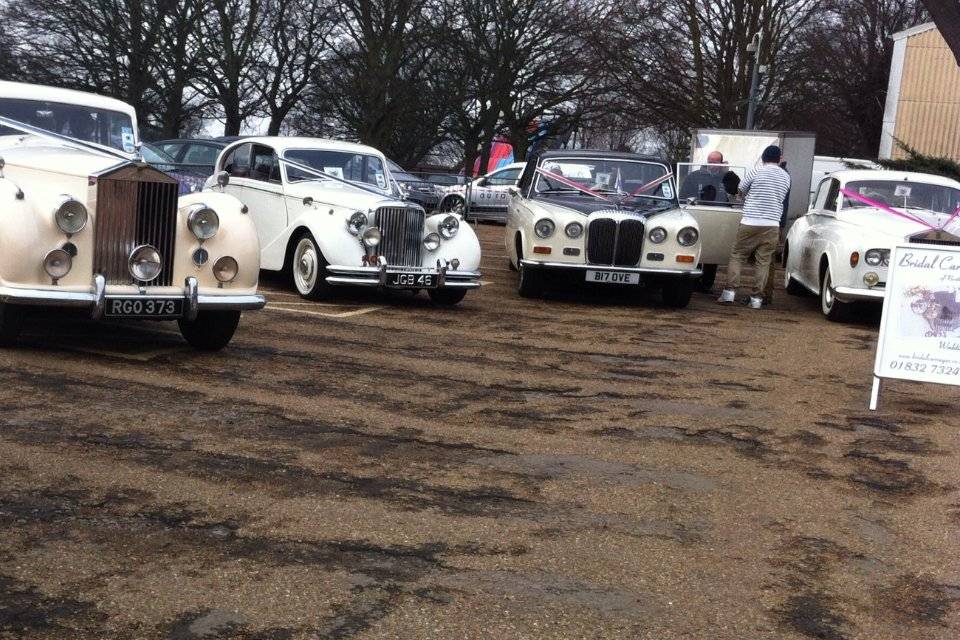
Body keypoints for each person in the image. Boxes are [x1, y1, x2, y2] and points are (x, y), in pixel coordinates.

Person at [718, 145, 791, 309]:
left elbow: (740, 190)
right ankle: (757, 299)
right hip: (772, 224)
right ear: (779, 159)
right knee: (763, 262)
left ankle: (730, 292)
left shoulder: (756, 171)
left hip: (750, 221)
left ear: (763, 158)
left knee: (737, 256)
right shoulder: (786, 177)